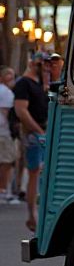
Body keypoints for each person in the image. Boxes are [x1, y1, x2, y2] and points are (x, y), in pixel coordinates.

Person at [14, 52, 51, 232]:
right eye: (41, 63)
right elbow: (22, 111)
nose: (44, 66)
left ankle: (40, 212)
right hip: (32, 134)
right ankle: (32, 214)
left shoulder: (39, 83)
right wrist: (38, 130)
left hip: (42, 131)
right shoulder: (23, 83)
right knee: (34, 172)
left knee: (43, 172)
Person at [0, 67, 17, 204]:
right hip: (4, 132)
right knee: (6, 162)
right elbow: (6, 113)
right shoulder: (6, 93)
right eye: (8, 74)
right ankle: (3, 190)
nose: (11, 77)